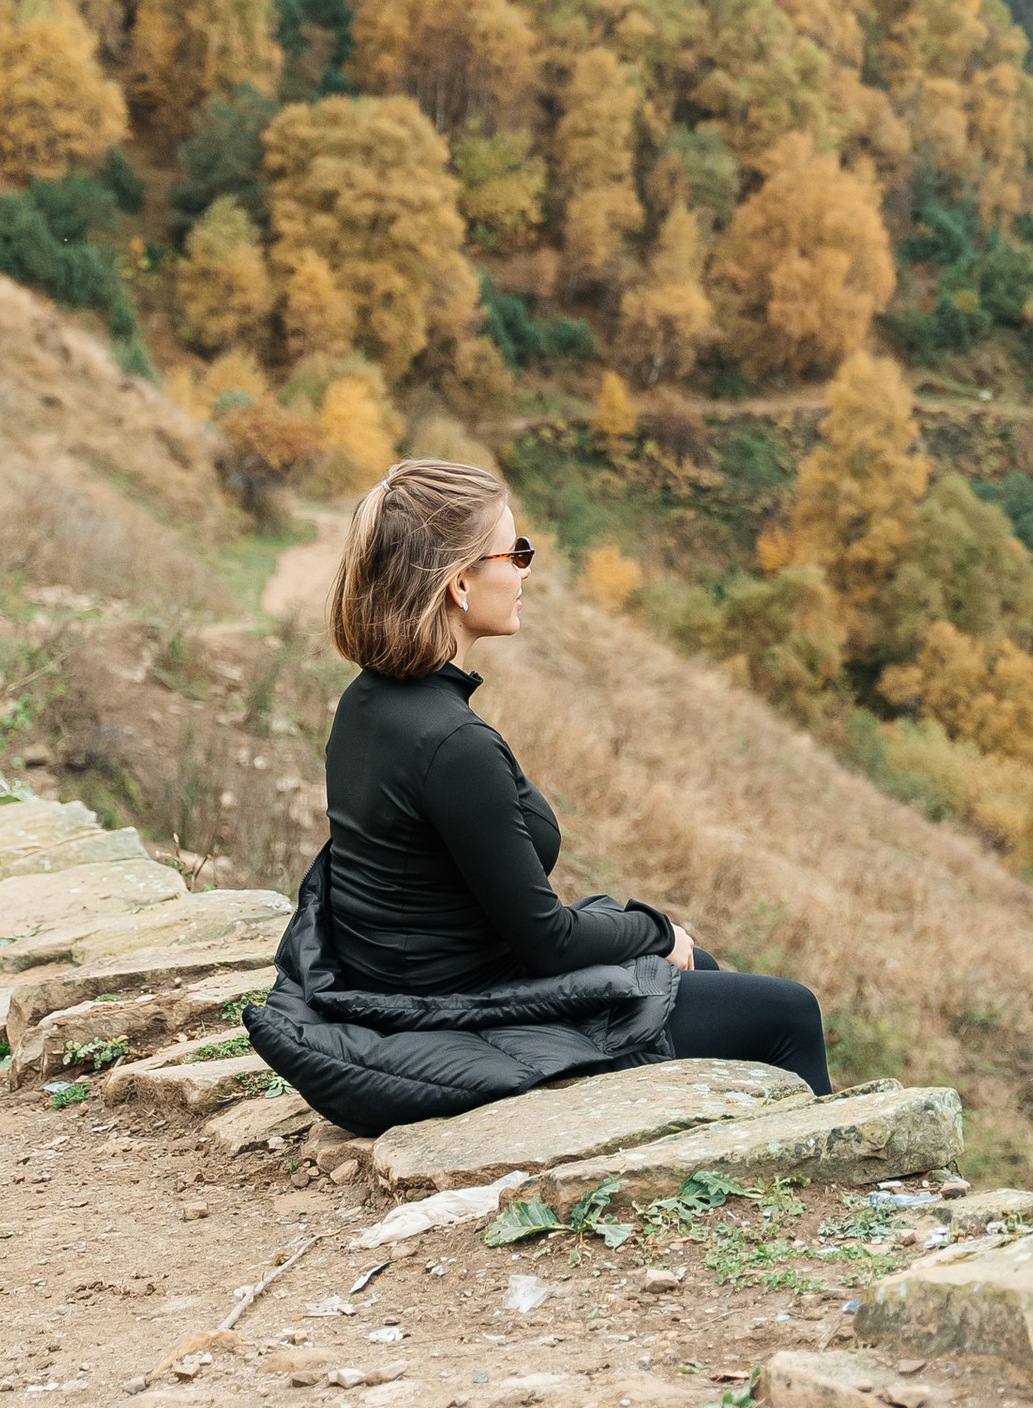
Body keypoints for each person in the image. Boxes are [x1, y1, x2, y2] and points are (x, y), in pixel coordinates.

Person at [245, 458, 829, 1135]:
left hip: (414, 990)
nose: (526, 569)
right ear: (460, 583)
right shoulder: (451, 742)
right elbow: (549, 941)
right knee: (789, 1012)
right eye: (514, 552)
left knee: (699, 973)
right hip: (457, 1011)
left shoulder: (369, 704)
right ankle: (847, 1191)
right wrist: (659, 928)